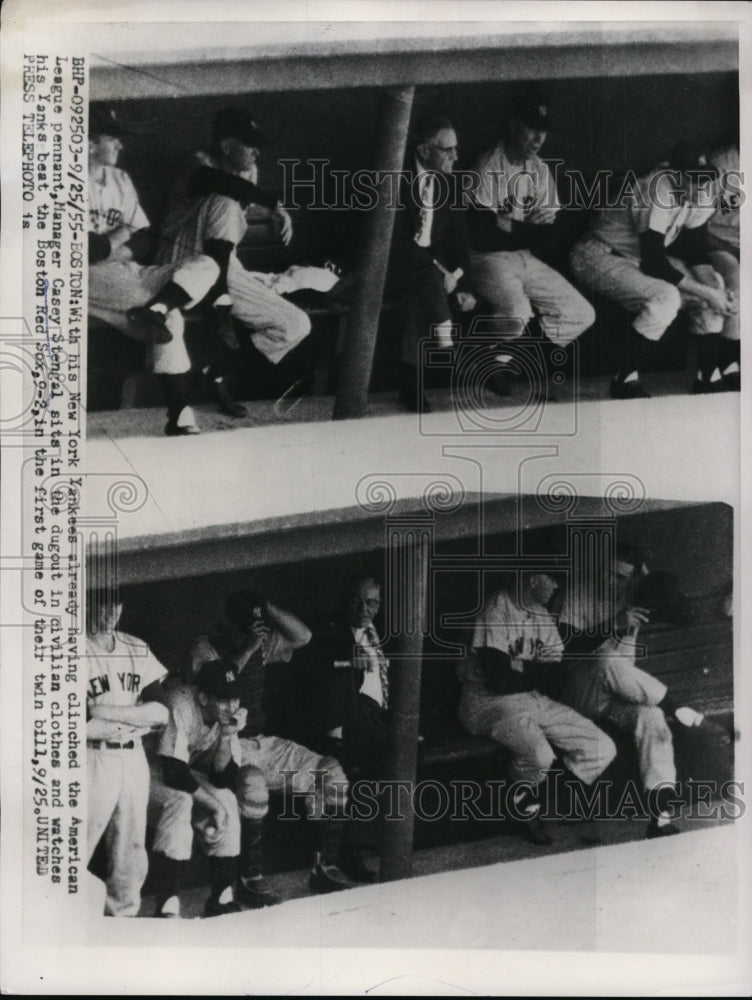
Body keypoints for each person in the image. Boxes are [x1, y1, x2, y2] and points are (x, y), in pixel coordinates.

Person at [158, 107, 338, 410]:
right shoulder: (196, 162)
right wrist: (275, 203)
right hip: (179, 261)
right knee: (225, 199)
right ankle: (221, 302)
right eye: (248, 144)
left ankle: (217, 371)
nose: (256, 152)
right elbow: (216, 182)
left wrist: (270, 208)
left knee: (296, 324)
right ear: (227, 146)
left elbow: (238, 215)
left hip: (224, 268)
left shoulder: (248, 173)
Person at [149, 658, 351, 917]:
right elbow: (173, 772)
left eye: (235, 699)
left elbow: (223, 778)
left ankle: (220, 899)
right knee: (183, 801)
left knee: (228, 802)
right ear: (202, 698)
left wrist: (227, 735)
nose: (231, 707)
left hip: (182, 768)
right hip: (150, 764)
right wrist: (212, 806)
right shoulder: (181, 702)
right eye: (223, 699)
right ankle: (167, 905)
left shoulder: (229, 718)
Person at [556, 544, 707, 837]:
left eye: (621, 576)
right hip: (579, 693)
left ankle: (661, 818)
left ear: (635, 577)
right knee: (604, 658)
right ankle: (674, 705)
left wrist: (650, 580)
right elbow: (564, 650)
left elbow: (686, 614)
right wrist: (614, 624)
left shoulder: (637, 593)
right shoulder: (578, 593)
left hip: (617, 696)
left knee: (652, 719)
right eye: (607, 572)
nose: (611, 581)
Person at [87, 105, 221, 435]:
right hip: (81, 278)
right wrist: (121, 236)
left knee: (206, 264)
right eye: (113, 139)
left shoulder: (120, 178)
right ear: (87, 142)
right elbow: (89, 252)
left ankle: (157, 308)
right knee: (168, 316)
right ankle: (179, 414)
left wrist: (116, 243)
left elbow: (145, 239)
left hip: (125, 270)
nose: (120, 146)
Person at [569, 140, 739, 397]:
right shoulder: (656, 188)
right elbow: (654, 263)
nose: (701, 185)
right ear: (675, 174)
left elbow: (694, 248)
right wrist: (708, 294)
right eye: (693, 178)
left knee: (714, 280)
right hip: (597, 255)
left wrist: (715, 289)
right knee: (665, 297)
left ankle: (707, 376)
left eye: (704, 178)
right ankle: (624, 378)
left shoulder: (699, 192)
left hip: (636, 257)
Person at [458, 573, 616, 845]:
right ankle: (525, 801)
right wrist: (533, 670)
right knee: (540, 756)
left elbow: (556, 673)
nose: (557, 587)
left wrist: (519, 667)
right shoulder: (495, 610)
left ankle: (531, 794)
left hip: (531, 698)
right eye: (552, 580)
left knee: (601, 746)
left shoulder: (541, 614)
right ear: (533, 580)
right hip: (486, 701)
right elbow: (499, 681)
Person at [466, 91, 595, 397]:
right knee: (517, 313)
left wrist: (508, 225)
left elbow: (551, 235)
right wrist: (526, 230)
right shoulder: (487, 164)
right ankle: (491, 360)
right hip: (486, 258)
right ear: (513, 126)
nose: (539, 138)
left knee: (580, 312)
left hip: (523, 257)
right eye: (531, 128)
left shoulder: (538, 169)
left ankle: (510, 357)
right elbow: (481, 233)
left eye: (543, 130)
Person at [297, 573, 390, 882]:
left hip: (380, 715)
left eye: (371, 601)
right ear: (345, 602)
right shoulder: (333, 632)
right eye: (357, 600)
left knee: (399, 751)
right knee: (375, 758)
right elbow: (324, 661)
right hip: (351, 719)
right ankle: (355, 852)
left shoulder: (379, 632)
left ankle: (367, 846)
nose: (364, 608)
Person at [86, 590, 169, 916]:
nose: (110, 612)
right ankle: (62, 922)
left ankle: (123, 916)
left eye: (116, 603)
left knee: (131, 848)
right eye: (102, 603)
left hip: (132, 757)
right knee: (76, 842)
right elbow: (71, 721)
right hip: (91, 758)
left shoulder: (135, 646)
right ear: (87, 604)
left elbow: (160, 712)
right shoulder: (69, 647)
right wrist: (132, 715)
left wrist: (104, 710)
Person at [390, 114, 477, 413]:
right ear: (424, 151)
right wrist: (443, 274)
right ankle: (448, 351)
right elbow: (397, 246)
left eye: (456, 148)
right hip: (395, 269)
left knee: (421, 292)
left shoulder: (450, 185)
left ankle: (412, 386)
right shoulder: (396, 180)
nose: (455, 156)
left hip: (430, 278)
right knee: (424, 275)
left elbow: (462, 244)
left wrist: (460, 281)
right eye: (447, 149)